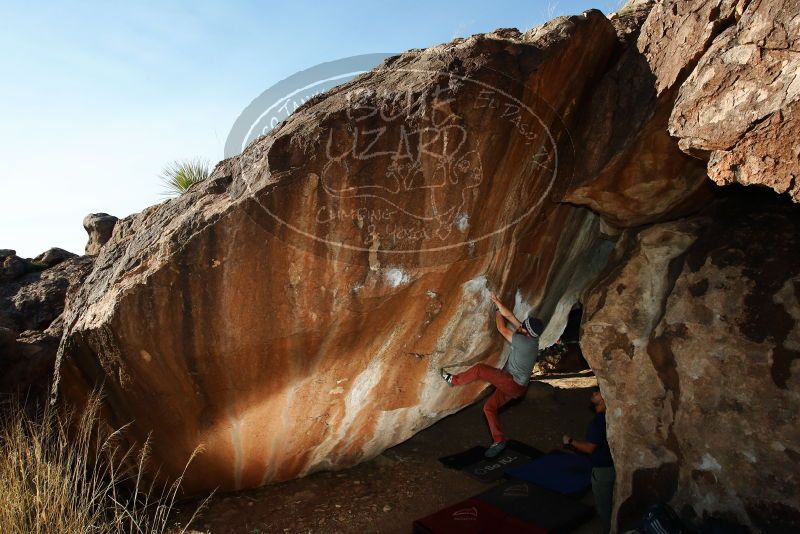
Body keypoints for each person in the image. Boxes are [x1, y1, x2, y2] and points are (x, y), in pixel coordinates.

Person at [439, 291, 543, 458]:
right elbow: (511, 317)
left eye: (523, 326)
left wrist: (495, 313)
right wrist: (497, 302)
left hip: (512, 383)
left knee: (480, 369)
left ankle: (455, 381)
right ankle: (499, 440)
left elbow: (502, 328)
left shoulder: (524, 343)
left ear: (527, 332)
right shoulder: (531, 337)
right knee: (489, 407)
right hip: (518, 388)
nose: (520, 326)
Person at [563, 387, 615, 534]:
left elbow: (589, 448)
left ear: (605, 399)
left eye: (597, 392)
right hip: (614, 467)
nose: (593, 393)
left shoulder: (596, 423)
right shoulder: (611, 418)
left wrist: (570, 441)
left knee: (604, 508)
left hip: (602, 470)